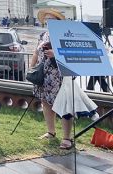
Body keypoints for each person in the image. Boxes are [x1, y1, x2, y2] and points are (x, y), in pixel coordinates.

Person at [31, 8, 74, 150]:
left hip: (59, 75)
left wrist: (55, 54)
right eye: (47, 20)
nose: (48, 22)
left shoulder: (64, 35)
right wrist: (31, 69)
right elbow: (36, 53)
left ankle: (67, 138)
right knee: (45, 102)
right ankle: (51, 131)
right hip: (44, 75)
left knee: (64, 105)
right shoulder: (43, 35)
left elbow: (70, 54)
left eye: (52, 20)